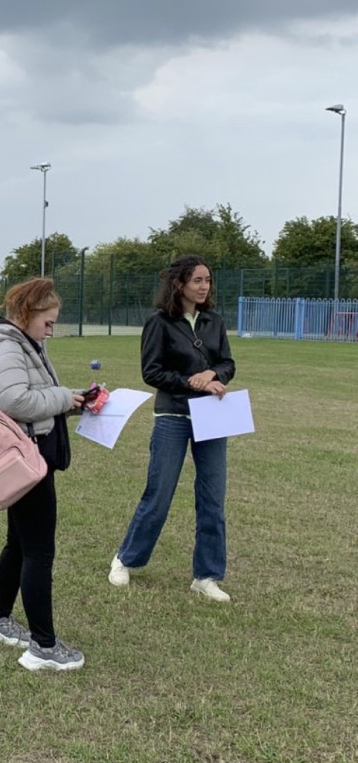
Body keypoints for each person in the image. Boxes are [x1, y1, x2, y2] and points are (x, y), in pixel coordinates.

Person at [0, 277, 87, 672]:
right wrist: (62, 396)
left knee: (20, 545)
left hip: (27, 454)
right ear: (25, 314)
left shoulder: (24, 344)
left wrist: (71, 403)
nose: (52, 330)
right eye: (48, 322)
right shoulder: (8, 347)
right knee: (39, 551)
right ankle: (44, 647)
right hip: (25, 459)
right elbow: (14, 399)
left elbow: (30, 396)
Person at [110, 256, 236, 601]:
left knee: (213, 498)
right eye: (197, 280)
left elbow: (228, 363)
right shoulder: (159, 323)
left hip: (212, 416)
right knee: (159, 494)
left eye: (208, 280)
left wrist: (214, 375)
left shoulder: (214, 321)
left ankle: (207, 576)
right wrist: (192, 383)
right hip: (173, 417)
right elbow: (151, 372)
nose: (204, 286)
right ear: (179, 283)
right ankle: (125, 559)